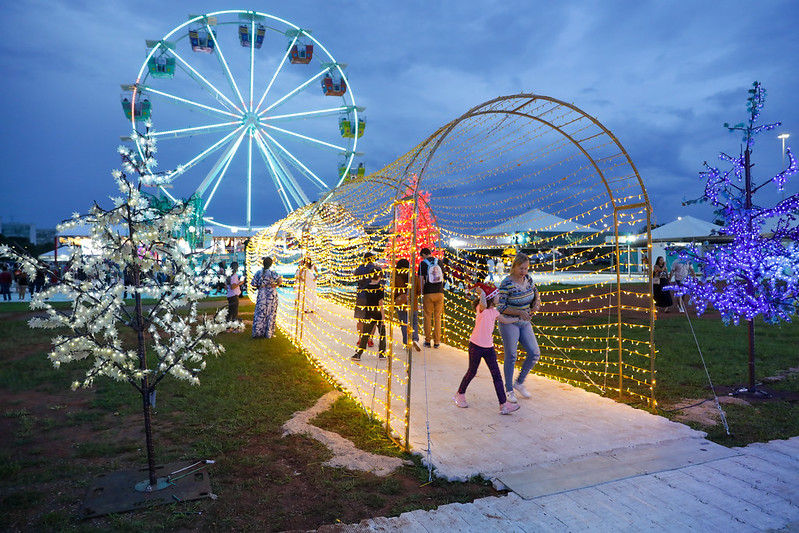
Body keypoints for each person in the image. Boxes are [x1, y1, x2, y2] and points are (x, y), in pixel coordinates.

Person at [453, 283, 521, 415]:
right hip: (476, 346)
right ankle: (459, 394)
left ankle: (503, 404)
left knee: (497, 375)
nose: (499, 296)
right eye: (497, 294)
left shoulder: (494, 312)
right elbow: (483, 303)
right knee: (472, 371)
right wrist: (482, 293)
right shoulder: (481, 308)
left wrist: (518, 318)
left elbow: (505, 320)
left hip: (489, 347)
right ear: (490, 297)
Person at [497, 253, 542, 403]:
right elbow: (500, 307)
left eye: (526, 268)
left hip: (524, 322)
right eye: (521, 268)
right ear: (514, 267)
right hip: (509, 322)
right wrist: (519, 313)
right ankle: (509, 389)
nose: (524, 271)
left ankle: (519, 382)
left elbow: (535, 294)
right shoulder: (506, 283)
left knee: (534, 353)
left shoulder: (528, 279)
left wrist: (536, 305)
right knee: (511, 356)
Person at [352, 270, 387, 361]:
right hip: (377, 314)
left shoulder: (367, 287)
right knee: (382, 333)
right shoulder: (380, 288)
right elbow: (380, 303)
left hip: (368, 313)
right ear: (380, 277)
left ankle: (358, 353)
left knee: (365, 334)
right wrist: (383, 317)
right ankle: (382, 353)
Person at [419, 247, 445, 348]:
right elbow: (442, 276)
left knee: (427, 316)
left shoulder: (423, 264)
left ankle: (428, 341)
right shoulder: (439, 262)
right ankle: (437, 341)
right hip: (439, 292)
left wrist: (422, 291)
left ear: (423, 254)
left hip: (428, 292)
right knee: (438, 317)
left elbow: (421, 279)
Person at [393, 258, 421, 352]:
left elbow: (393, 291)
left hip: (401, 303)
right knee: (414, 322)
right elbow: (419, 291)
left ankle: (406, 342)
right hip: (413, 304)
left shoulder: (396, 277)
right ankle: (415, 339)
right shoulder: (414, 277)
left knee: (404, 323)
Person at [251, 257, 283, 339]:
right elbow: (280, 280)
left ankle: (258, 332)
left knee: (260, 312)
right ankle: (268, 332)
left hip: (262, 293)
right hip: (270, 294)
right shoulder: (272, 273)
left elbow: (253, 283)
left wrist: (260, 285)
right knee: (270, 313)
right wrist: (275, 285)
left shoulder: (258, 273)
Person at [353, 252, 377, 346]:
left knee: (361, 319)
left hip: (362, 295)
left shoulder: (360, 268)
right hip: (373, 296)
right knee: (373, 320)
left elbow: (355, 275)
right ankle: (370, 339)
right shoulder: (376, 269)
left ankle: (361, 338)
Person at [225, 261, 245, 326]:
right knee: (234, 310)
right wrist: (240, 283)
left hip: (230, 295)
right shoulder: (234, 276)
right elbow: (233, 287)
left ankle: (228, 322)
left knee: (230, 310)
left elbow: (226, 286)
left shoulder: (228, 276)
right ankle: (234, 322)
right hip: (234, 294)